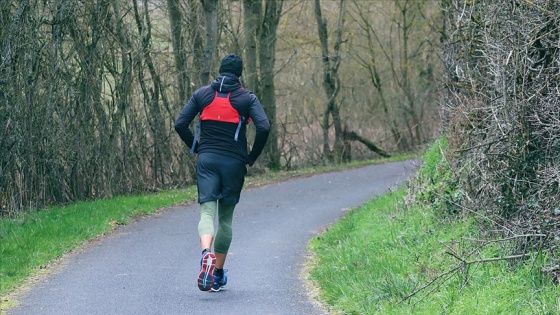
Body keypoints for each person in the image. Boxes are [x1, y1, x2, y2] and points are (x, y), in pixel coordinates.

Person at [174, 54, 270, 292]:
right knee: (225, 219)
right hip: (234, 163)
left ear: (220, 71)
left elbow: (180, 123)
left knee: (207, 212)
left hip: (206, 159)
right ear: (240, 74)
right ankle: (217, 274)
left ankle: (205, 253)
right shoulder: (247, 97)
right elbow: (264, 126)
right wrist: (251, 157)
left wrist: (196, 147)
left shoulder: (203, 94)